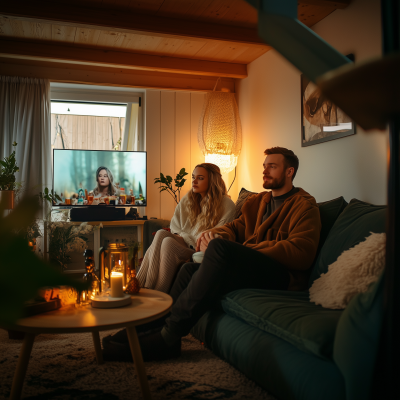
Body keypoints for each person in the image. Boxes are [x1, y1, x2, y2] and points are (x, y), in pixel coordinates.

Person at [102, 147, 321, 363]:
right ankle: (152, 326)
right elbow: (235, 228)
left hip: (279, 274)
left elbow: (302, 252)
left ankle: (167, 338)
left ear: (289, 171)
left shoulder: (304, 205)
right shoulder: (258, 201)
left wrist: (239, 249)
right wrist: (213, 233)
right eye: (264, 166)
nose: (265, 171)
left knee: (219, 248)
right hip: (251, 267)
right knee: (189, 269)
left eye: (272, 167)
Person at [136, 163, 236, 293]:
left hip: (199, 249)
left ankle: (154, 291)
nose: (194, 181)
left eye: (200, 178)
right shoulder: (188, 199)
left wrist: (187, 238)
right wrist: (183, 236)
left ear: (212, 180)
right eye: (193, 177)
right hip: (184, 242)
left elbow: (220, 231)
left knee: (168, 243)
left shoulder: (226, 204)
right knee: (161, 234)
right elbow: (175, 225)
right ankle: (145, 287)